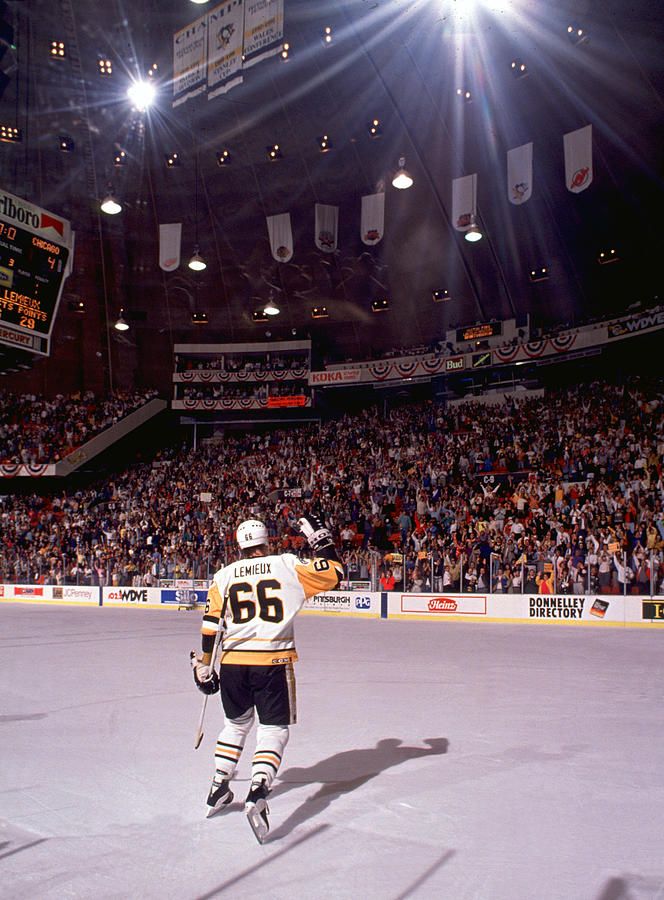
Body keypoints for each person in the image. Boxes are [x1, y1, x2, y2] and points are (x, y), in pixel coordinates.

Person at [190, 514, 343, 843]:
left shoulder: (224, 574)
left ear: (240, 546)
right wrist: (319, 540)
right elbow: (334, 573)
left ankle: (218, 787)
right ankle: (258, 790)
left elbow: (210, 625)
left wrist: (204, 665)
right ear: (266, 541)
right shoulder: (286, 564)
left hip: (232, 663)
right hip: (271, 660)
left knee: (235, 725)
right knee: (273, 729)